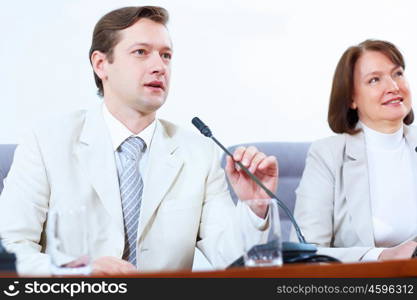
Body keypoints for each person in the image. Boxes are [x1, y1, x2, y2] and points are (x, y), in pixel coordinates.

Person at [0, 6, 278, 275]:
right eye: (141, 52)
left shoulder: (200, 153)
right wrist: (77, 273)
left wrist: (255, 206)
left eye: (166, 55)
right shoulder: (47, 141)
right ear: (101, 64)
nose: (159, 66)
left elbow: (233, 260)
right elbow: (10, 249)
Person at [292, 39, 417, 262]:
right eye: (374, 80)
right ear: (351, 98)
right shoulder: (327, 155)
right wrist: (380, 255)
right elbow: (304, 251)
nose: (393, 87)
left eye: (397, 74)